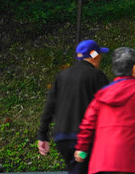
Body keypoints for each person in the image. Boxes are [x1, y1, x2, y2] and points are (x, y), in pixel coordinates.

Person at [37, 40, 111, 174]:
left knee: (77, 168)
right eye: (99, 55)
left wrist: (42, 135)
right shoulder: (97, 76)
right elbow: (109, 106)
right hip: (84, 141)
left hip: (62, 139)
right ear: (95, 56)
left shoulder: (62, 76)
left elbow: (50, 105)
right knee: (85, 167)